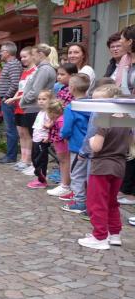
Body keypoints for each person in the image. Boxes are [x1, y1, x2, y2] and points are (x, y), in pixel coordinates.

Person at [78, 84, 131, 249]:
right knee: (112, 201)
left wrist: (91, 140)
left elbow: (96, 147)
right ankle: (114, 234)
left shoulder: (103, 121)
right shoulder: (127, 120)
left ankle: (99, 236)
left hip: (101, 166)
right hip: (119, 166)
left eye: (98, 101)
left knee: (97, 202)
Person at [15, 44, 57, 176]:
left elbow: (36, 90)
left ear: (40, 54)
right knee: (36, 138)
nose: (32, 58)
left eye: (33, 54)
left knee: (38, 140)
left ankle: (38, 167)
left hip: (34, 106)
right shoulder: (42, 69)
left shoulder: (44, 69)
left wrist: (23, 100)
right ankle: (35, 165)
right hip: (33, 106)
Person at [46, 63, 78, 198]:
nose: (59, 77)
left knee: (64, 158)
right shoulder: (63, 89)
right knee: (62, 158)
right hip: (56, 127)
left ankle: (65, 185)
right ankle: (64, 183)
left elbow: (63, 110)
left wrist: (53, 120)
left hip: (61, 128)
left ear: (72, 76)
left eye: (62, 74)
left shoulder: (70, 92)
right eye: (58, 74)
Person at [60, 74, 92, 214]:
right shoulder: (93, 105)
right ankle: (89, 200)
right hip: (92, 145)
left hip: (77, 146)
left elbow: (67, 127)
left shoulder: (71, 107)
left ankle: (80, 202)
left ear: (71, 88)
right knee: (89, 175)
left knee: (77, 174)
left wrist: (63, 135)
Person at [0, 41, 22, 164]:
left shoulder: (13, 65)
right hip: (6, 100)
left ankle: (11, 156)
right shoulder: (9, 64)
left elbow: (15, 83)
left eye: (1, 51)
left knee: (11, 128)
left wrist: (6, 96)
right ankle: (10, 154)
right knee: (9, 128)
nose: (0, 53)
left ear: (7, 52)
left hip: (9, 100)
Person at [28, 91, 58, 189]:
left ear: (50, 100)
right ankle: (39, 178)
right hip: (36, 139)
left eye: (44, 99)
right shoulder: (41, 112)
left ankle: (42, 180)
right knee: (34, 159)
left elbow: (53, 126)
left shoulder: (49, 113)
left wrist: (48, 136)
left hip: (42, 140)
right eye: (39, 99)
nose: (41, 101)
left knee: (40, 161)